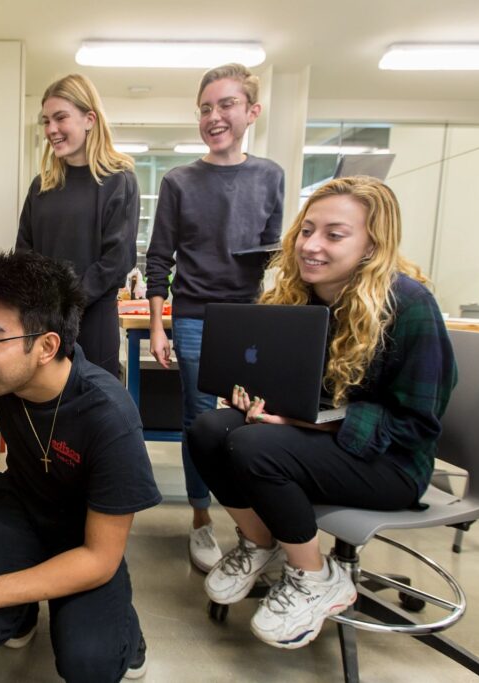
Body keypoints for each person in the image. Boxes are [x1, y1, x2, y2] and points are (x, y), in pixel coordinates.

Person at [187, 176, 457, 649]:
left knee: (253, 446)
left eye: (334, 234)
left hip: (393, 463)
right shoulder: (300, 298)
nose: (311, 246)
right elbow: (301, 396)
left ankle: (315, 577)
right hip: (322, 441)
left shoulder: (410, 305)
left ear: (373, 243)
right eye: (307, 230)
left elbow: (417, 425)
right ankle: (261, 544)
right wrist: (259, 400)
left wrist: (305, 422)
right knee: (210, 429)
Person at [0, 251, 161, 682]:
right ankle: (20, 611)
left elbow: (100, 557)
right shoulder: (4, 363)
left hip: (86, 536)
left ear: (46, 346)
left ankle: (124, 628)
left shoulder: (110, 419)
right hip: (23, 508)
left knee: (91, 664)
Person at [144, 63, 285, 571]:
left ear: (252, 111)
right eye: (206, 108)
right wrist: (159, 325)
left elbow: (274, 253)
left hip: (249, 319)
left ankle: (256, 527)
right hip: (194, 317)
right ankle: (201, 519)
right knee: (200, 420)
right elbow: (158, 258)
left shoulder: (270, 175)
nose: (214, 116)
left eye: (226, 105)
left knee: (256, 422)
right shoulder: (180, 180)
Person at [17, 73, 140, 377]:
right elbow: (24, 254)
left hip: (93, 326)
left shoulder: (119, 180)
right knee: (44, 418)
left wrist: (62, 306)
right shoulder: (41, 186)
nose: (51, 130)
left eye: (60, 118)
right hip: (42, 327)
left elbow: (116, 261)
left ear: (89, 119)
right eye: (46, 121)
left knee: (92, 416)